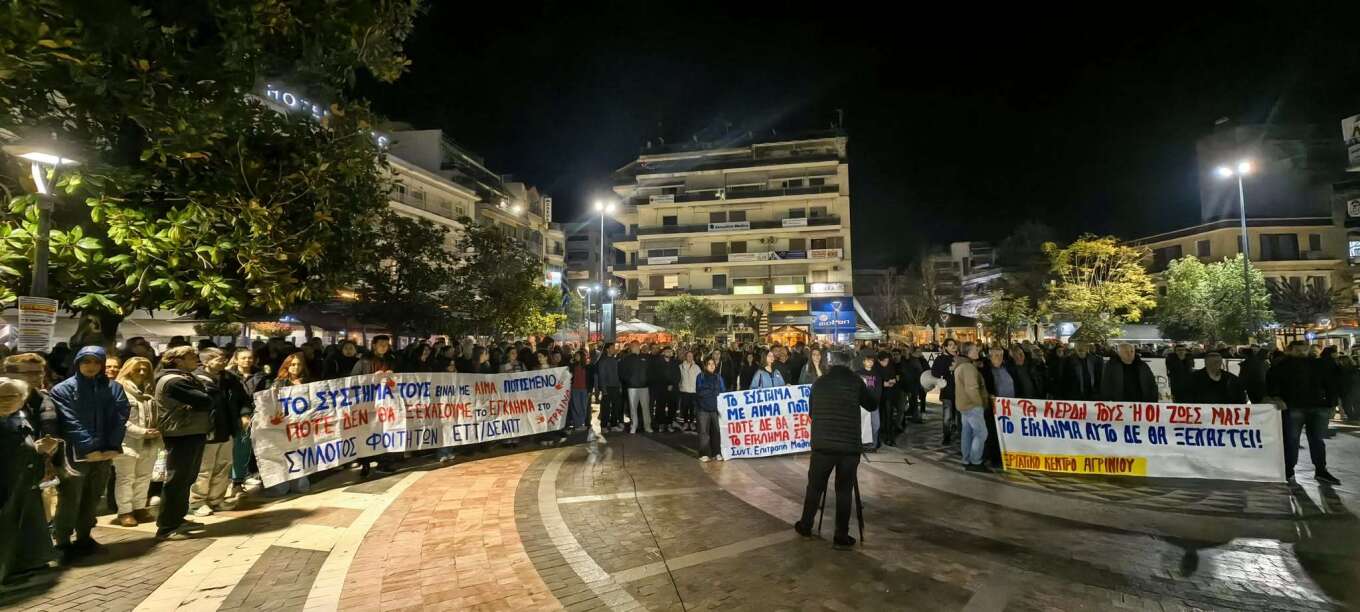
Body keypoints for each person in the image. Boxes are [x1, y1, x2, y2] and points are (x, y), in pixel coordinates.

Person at [47, 346, 129, 557]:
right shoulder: (62, 389)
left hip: (105, 453)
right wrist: (90, 447)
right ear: (78, 363)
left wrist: (111, 446)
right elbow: (69, 421)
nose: (91, 366)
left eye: (96, 362)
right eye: (86, 361)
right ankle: (63, 541)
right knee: (70, 497)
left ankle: (84, 537)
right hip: (75, 453)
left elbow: (120, 416)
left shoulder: (113, 388)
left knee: (93, 496)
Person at [794, 350, 877, 549]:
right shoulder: (856, 382)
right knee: (844, 490)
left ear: (831, 364)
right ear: (849, 364)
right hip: (849, 447)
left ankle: (806, 525)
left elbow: (811, 412)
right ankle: (841, 535)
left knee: (814, 486)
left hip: (823, 446)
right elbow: (872, 404)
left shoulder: (820, 383)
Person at [0, 377, 60, 584]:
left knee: (21, 524)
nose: (9, 400)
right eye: (4, 396)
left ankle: (22, 565)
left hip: (22, 479)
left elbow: (23, 443)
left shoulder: (19, 414)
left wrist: (39, 450)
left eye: (14, 396)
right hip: (6, 482)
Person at [154, 346, 215, 540]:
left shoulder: (187, 378)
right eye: (191, 356)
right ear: (178, 360)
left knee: (187, 479)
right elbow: (206, 399)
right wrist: (205, 393)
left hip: (192, 430)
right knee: (177, 480)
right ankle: (167, 526)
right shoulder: (174, 381)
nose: (196, 359)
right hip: (180, 434)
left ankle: (178, 518)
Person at [1269, 341, 1341, 485]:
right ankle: (1289, 470)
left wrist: (1331, 403)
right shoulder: (1281, 366)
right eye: (1298, 350)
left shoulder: (1317, 364)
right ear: (1289, 350)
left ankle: (1321, 470)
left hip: (1317, 407)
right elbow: (1272, 383)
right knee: (1292, 441)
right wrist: (1277, 397)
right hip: (1294, 407)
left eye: (1304, 350)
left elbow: (1329, 383)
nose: (1302, 353)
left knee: (1317, 440)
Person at [191, 348, 245, 516]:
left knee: (223, 466)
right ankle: (197, 502)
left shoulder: (230, 379)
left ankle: (216, 499)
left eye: (224, 358)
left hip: (227, 429)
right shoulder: (194, 379)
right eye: (219, 359)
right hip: (206, 431)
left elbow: (243, 399)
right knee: (204, 468)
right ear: (206, 361)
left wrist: (244, 414)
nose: (223, 361)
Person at [110, 357, 161, 527]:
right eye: (137, 369)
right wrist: (140, 432)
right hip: (127, 441)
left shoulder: (149, 389)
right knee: (126, 478)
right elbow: (117, 418)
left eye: (145, 369)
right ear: (128, 369)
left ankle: (139, 507)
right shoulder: (117, 388)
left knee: (144, 477)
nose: (141, 372)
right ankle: (125, 511)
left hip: (149, 441)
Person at [265, 354, 313, 495]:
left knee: (300, 454)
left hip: (302, 426)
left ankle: (299, 483)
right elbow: (270, 403)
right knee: (282, 454)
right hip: (282, 426)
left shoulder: (309, 382)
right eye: (292, 364)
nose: (296, 367)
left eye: (299, 364)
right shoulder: (278, 383)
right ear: (286, 366)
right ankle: (281, 485)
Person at [953, 343, 990, 472]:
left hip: (964, 405)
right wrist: (980, 403)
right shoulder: (968, 368)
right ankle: (976, 461)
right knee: (981, 433)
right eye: (975, 349)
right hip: (972, 405)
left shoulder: (961, 365)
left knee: (967, 433)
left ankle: (967, 459)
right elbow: (972, 389)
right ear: (968, 352)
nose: (978, 350)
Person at [979, 348, 1014, 468]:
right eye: (995, 355)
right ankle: (995, 458)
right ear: (990, 357)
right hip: (993, 407)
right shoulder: (986, 370)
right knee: (993, 433)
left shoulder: (1007, 368)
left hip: (1010, 407)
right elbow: (984, 387)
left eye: (1000, 355)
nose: (998, 357)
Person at [695, 358, 727, 462]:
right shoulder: (700, 376)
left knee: (716, 432)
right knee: (704, 432)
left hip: (715, 409)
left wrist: (712, 391)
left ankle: (716, 452)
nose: (712, 366)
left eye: (713, 364)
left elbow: (723, 391)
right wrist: (713, 390)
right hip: (703, 409)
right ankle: (703, 453)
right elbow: (700, 392)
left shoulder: (718, 377)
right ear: (705, 366)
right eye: (709, 364)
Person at [619, 342, 651, 433]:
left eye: (636, 346)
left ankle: (647, 426)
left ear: (639, 346)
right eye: (632, 346)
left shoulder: (645, 357)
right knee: (633, 408)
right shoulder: (626, 359)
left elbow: (650, 371)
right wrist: (628, 381)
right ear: (631, 348)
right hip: (632, 387)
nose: (634, 348)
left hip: (644, 387)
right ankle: (634, 426)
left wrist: (647, 380)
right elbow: (622, 372)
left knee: (645, 408)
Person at [931, 339, 959, 443]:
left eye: (954, 344)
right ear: (945, 347)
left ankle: (957, 433)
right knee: (947, 415)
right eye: (950, 345)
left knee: (958, 415)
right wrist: (948, 370)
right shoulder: (940, 359)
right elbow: (935, 372)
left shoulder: (959, 358)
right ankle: (946, 436)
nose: (953, 346)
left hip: (960, 391)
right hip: (947, 390)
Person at [649, 347, 678, 432]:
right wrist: (666, 384)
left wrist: (672, 384)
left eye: (670, 351)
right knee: (660, 407)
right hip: (661, 388)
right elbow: (656, 375)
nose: (669, 353)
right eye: (667, 351)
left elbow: (677, 375)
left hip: (672, 389)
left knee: (671, 407)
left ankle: (669, 424)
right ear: (663, 353)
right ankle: (660, 424)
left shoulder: (674, 362)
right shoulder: (657, 362)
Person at [596, 343, 623, 433]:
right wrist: (603, 389)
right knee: (606, 408)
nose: (614, 349)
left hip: (615, 387)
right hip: (607, 387)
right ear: (607, 349)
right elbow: (601, 376)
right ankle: (603, 426)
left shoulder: (615, 360)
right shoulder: (603, 361)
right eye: (612, 348)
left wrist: (619, 386)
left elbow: (618, 375)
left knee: (616, 407)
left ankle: (614, 424)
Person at [677, 350, 701, 433]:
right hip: (685, 390)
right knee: (685, 408)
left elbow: (700, 379)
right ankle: (685, 422)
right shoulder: (681, 366)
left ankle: (692, 423)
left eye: (691, 356)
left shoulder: (697, 367)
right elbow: (678, 378)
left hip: (694, 391)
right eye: (688, 356)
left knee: (692, 408)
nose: (690, 357)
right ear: (685, 357)